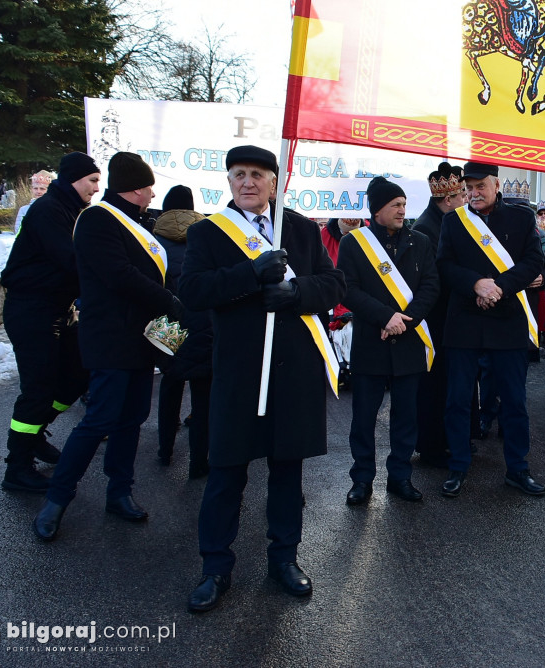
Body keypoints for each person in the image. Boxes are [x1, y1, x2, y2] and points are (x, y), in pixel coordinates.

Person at [180, 145, 344, 612]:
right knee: (226, 471)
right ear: (228, 181)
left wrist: (295, 292)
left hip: (293, 371)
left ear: (275, 182)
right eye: (238, 174)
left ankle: (284, 558)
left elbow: (335, 285)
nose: (247, 182)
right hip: (238, 372)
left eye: (257, 174)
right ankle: (215, 566)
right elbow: (193, 291)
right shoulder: (209, 233)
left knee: (287, 471)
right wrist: (249, 273)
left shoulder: (300, 229)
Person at [33, 152, 179, 540]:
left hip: (138, 340)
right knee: (99, 421)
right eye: (148, 187)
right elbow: (119, 275)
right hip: (110, 339)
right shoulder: (99, 220)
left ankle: (120, 492)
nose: (151, 194)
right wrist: (170, 302)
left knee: (131, 420)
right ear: (133, 188)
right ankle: (57, 499)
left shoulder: (135, 222)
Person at [436, 161, 545, 498]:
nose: (473, 192)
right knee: (457, 400)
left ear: (496, 185)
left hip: (507, 319)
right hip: (465, 321)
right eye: (469, 186)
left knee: (514, 401)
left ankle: (517, 468)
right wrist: (476, 285)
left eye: (480, 186)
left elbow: (533, 261)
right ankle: (458, 466)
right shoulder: (454, 221)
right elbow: (444, 265)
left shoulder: (522, 217)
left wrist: (497, 287)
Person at [0, 154, 99, 492]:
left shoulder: (73, 210)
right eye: (92, 181)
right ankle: (18, 466)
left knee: (76, 374)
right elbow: (73, 261)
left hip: (59, 308)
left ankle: (36, 430)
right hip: (31, 310)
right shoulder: (50, 211)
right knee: (38, 387)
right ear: (74, 179)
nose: (97, 188)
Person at [338, 177, 439, 504]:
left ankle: (400, 477)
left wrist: (405, 321)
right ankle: (362, 480)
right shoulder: (354, 244)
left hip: (408, 343)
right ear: (377, 209)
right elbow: (348, 289)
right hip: (371, 342)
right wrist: (385, 317)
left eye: (404, 204)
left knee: (406, 418)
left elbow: (430, 287)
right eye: (395, 205)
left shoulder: (420, 241)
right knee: (363, 419)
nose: (402, 210)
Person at [153, 185, 211, 479]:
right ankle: (199, 463)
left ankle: (165, 449)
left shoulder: (151, 240)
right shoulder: (206, 236)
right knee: (203, 398)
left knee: (170, 384)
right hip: (203, 324)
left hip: (170, 325)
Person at [413, 162, 466, 467]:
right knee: (433, 386)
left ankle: (447, 439)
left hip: (449, 318)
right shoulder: (425, 228)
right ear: (448, 199)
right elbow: (435, 277)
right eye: (461, 196)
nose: (464, 201)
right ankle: (431, 446)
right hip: (435, 319)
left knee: (448, 383)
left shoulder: (444, 222)